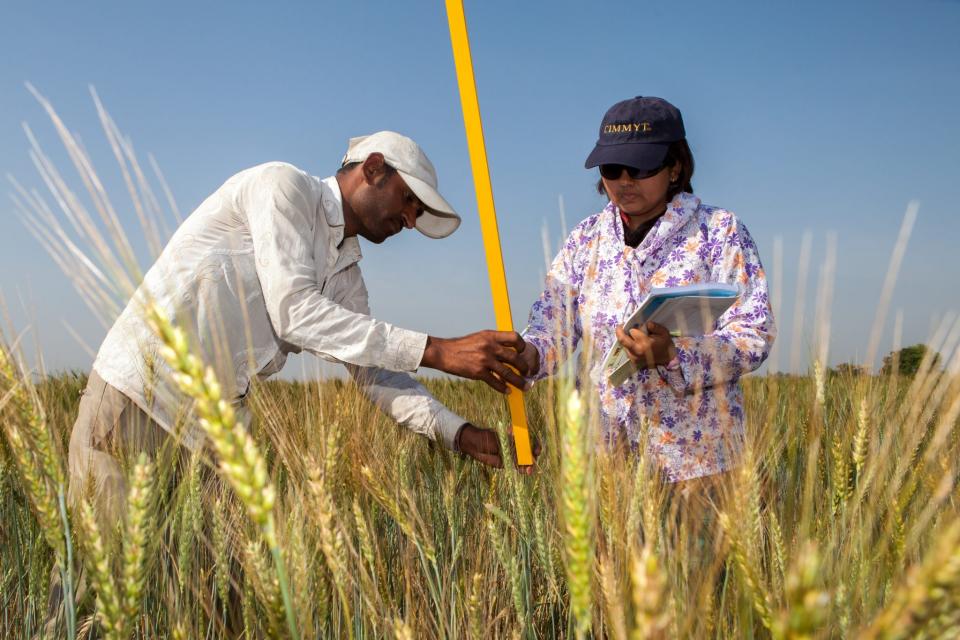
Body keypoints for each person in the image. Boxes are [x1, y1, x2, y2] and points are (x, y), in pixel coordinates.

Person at [520, 96, 776, 483]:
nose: (624, 180)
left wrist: (674, 355)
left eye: (640, 167)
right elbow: (553, 325)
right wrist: (526, 354)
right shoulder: (585, 239)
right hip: (603, 462)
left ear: (675, 167)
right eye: (612, 168)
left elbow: (753, 334)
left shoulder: (720, 231)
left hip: (697, 463)